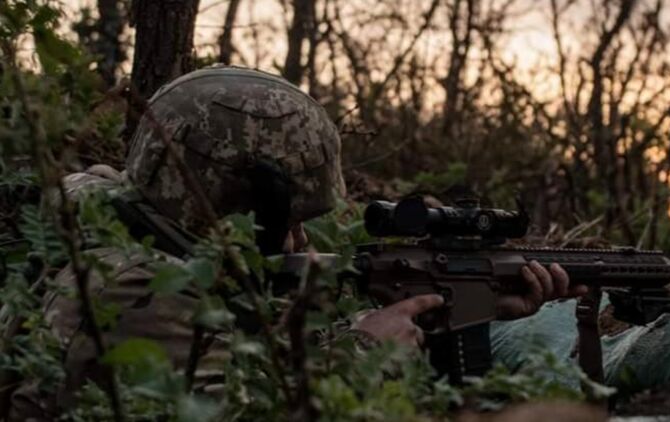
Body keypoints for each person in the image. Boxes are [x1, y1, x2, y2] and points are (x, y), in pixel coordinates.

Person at [7, 66, 583, 419]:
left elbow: (238, 362)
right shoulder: (136, 286)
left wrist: (460, 310)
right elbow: (252, 407)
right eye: (292, 217)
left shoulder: (119, 227)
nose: (302, 239)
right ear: (239, 203)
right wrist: (364, 352)